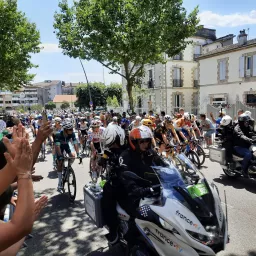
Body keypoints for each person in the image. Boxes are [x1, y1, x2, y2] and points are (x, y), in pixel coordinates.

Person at [116, 126, 163, 224]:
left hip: (152, 190)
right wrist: (138, 190)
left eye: (147, 141)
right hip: (133, 195)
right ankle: (130, 236)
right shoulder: (125, 157)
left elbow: (163, 165)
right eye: (142, 141)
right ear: (134, 142)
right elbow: (126, 178)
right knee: (140, 217)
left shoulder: (150, 152)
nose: (145, 144)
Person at [100, 125, 125, 244]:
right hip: (122, 182)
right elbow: (106, 153)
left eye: (112, 143)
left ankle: (113, 231)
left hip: (124, 184)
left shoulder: (126, 150)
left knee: (106, 195)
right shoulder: (114, 150)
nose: (111, 146)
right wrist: (103, 159)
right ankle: (114, 230)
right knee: (106, 189)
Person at [55, 120, 80, 191]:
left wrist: (78, 153)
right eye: (70, 129)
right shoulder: (58, 134)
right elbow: (57, 147)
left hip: (66, 146)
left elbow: (75, 143)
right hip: (59, 147)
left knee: (73, 156)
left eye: (72, 129)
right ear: (65, 130)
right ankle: (59, 182)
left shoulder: (72, 134)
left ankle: (68, 168)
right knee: (60, 163)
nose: (72, 130)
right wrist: (60, 156)